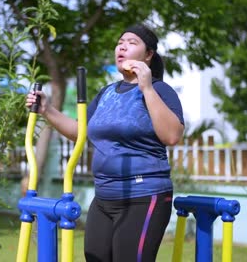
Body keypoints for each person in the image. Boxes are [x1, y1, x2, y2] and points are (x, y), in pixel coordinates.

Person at [25, 24, 184, 262]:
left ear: (148, 55)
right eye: (120, 42)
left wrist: (147, 87)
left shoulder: (161, 90)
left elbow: (171, 136)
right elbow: (80, 132)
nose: (122, 46)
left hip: (143, 195)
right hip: (104, 197)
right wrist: (47, 110)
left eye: (132, 43)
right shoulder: (107, 93)